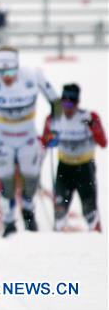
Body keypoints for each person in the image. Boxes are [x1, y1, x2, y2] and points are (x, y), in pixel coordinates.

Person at [0, 46, 59, 237]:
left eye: (10, 71)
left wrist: (55, 129)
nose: (6, 77)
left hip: (27, 137)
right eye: (2, 72)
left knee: (30, 178)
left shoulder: (33, 76)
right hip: (3, 139)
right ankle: (9, 222)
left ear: (17, 67)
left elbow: (56, 103)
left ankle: (28, 211)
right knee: (7, 182)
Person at [41, 83, 106, 232]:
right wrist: (48, 139)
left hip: (85, 168)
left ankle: (96, 238)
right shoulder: (54, 119)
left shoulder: (87, 117)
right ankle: (56, 243)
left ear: (78, 103)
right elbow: (44, 141)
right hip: (64, 168)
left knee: (90, 211)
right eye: (64, 102)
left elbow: (103, 142)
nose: (68, 107)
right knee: (60, 210)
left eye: (72, 102)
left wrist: (93, 126)